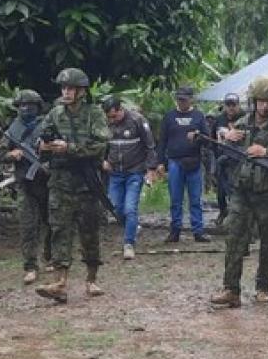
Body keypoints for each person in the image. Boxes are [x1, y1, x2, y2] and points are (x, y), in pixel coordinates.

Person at [210, 76, 268, 308]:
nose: (265, 106)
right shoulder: (244, 122)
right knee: (234, 237)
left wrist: (266, 151)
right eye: (261, 101)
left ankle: (263, 287)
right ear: (254, 101)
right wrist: (227, 137)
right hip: (242, 191)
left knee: (267, 241)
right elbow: (227, 146)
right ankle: (231, 289)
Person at [35, 67, 110, 303]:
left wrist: (71, 148)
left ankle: (91, 278)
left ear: (81, 91)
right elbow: (41, 136)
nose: (66, 92)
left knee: (89, 232)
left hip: (87, 181)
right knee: (59, 230)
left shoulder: (94, 113)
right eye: (63, 88)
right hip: (60, 181)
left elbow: (101, 143)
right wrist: (44, 145)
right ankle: (60, 282)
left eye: (70, 88)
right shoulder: (55, 114)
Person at [0, 89, 51, 284]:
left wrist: (47, 157)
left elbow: (61, 148)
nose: (25, 109)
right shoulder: (13, 130)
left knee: (52, 222)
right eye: (21, 106)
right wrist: (13, 154)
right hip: (25, 183)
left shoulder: (47, 124)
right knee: (28, 226)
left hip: (48, 183)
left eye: (29, 106)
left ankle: (50, 256)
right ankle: (30, 265)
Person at [101, 95, 157, 260]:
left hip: (135, 171)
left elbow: (150, 146)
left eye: (114, 115)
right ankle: (132, 227)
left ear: (120, 109)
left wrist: (151, 169)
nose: (112, 119)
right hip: (115, 173)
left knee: (130, 208)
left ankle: (128, 243)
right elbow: (99, 145)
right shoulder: (105, 124)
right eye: (109, 117)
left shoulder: (137, 120)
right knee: (115, 207)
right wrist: (102, 161)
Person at [157, 85, 209, 243]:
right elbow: (162, 141)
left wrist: (198, 136)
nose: (181, 102)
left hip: (194, 161)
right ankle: (175, 230)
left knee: (195, 199)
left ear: (190, 99)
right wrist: (160, 162)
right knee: (175, 199)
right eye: (179, 99)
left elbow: (207, 139)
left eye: (184, 99)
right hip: (175, 162)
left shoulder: (199, 116)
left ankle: (198, 231)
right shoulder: (169, 117)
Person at [210, 93, 245, 226]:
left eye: (233, 105)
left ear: (238, 105)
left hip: (238, 160)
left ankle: (237, 216)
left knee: (235, 190)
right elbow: (212, 139)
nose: (231, 108)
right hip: (221, 159)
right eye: (228, 105)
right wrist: (217, 154)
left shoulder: (244, 119)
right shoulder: (219, 119)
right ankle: (222, 211)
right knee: (220, 190)